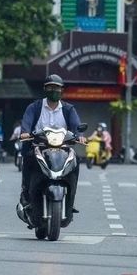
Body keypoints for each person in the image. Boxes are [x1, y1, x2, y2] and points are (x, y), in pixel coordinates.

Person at [19, 74, 85, 221]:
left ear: (62, 90)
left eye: (57, 88)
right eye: (50, 87)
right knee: (28, 159)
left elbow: (76, 126)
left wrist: (79, 135)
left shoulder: (68, 109)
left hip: (63, 148)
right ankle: (26, 194)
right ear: (44, 89)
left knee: (75, 160)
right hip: (38, 147)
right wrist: (25, 132)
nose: (54, 90)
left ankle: (70, 199)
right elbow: (27, 123)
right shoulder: (35, 107)